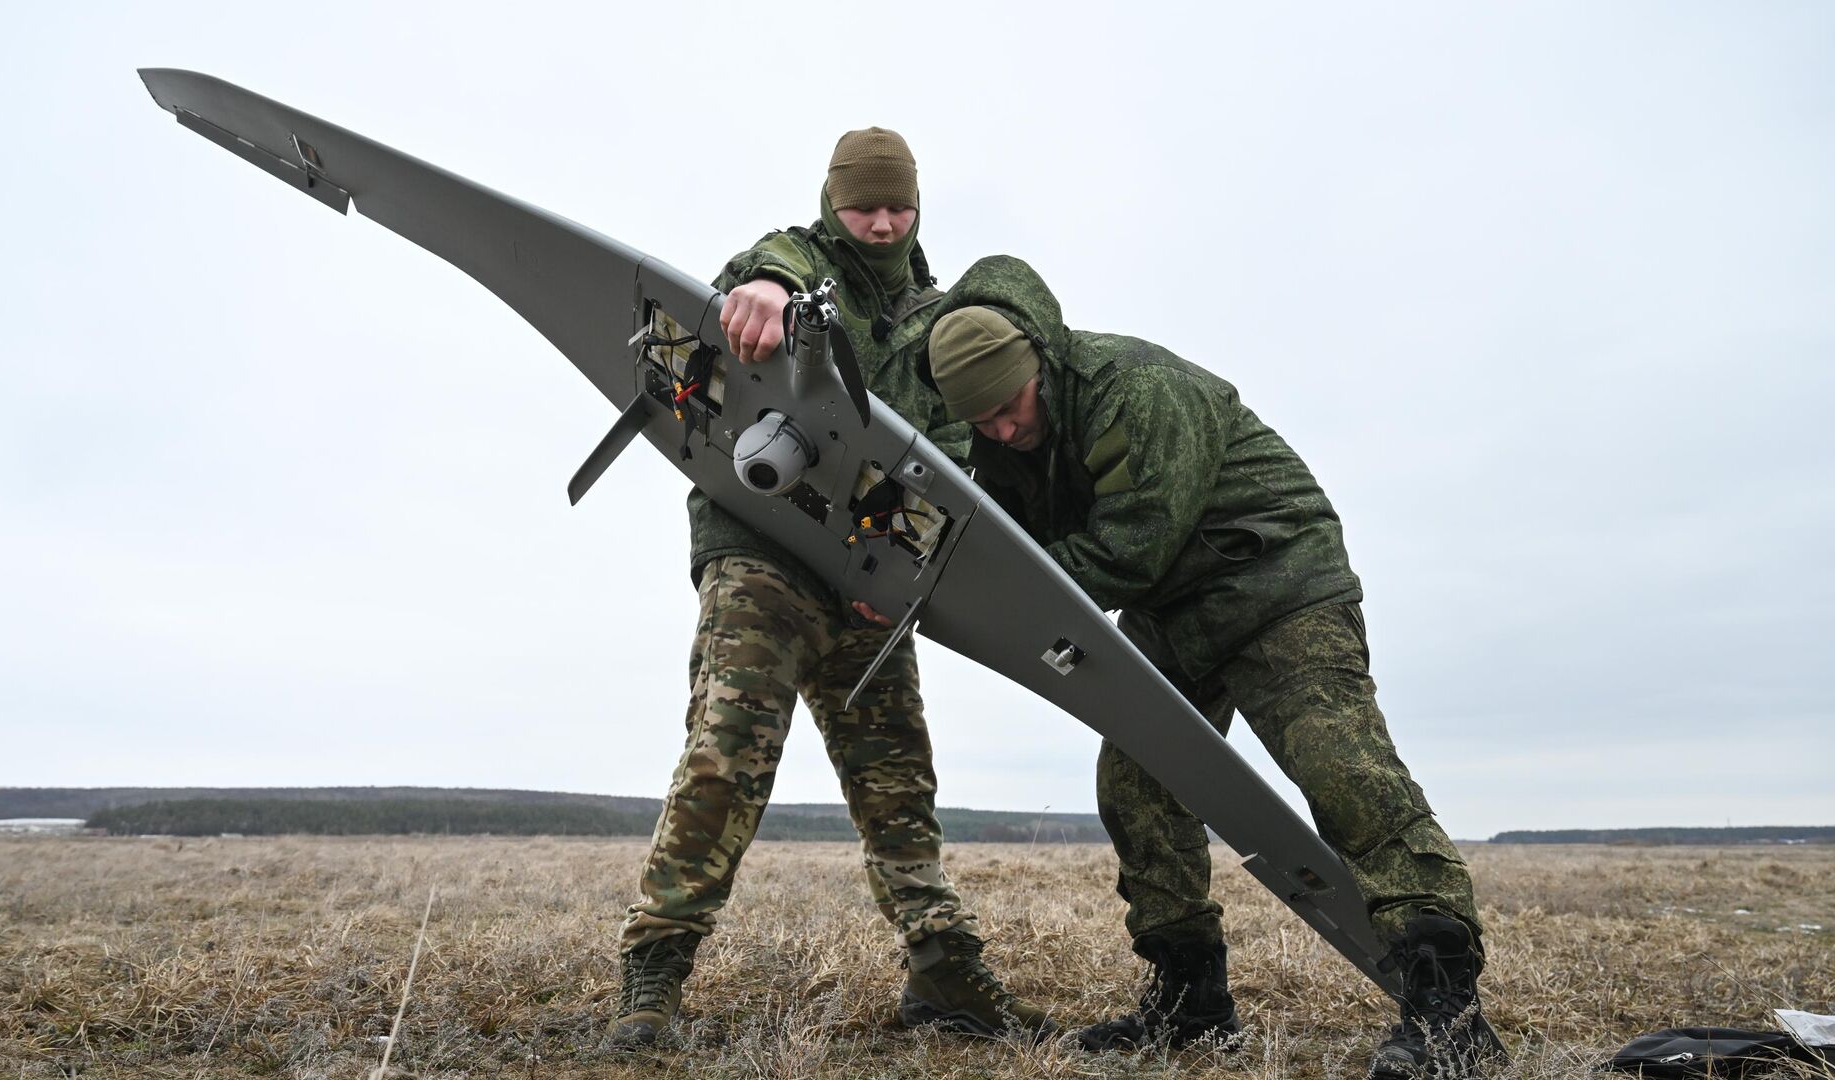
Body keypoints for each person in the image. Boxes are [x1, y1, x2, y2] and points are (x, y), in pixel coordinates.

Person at [921, 255, 1504, 1078]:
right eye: (980, 423)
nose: (1003, 432)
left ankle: (1448, 1010)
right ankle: (1191, 1003)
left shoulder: (1137, 387)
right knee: (1136, 785)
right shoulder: (1001, 438)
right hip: (1173, 609)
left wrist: (988, 595)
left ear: (1040, 367)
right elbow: (1009, 544)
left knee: (1342, 772)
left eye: (1010, 410)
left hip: (1275, 582)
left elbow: (1130, 547)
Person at [607, 132, 1050, 1047]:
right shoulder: (801, 265)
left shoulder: (939, 320)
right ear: (831, 204)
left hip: (872, 585)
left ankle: (944, 973)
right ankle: (654, 974)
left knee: (898, 781)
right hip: (763, 556)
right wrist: (760, 290)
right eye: (864, 207)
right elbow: (761, 276)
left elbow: (954, 461)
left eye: (900, 207)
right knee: (729, 753)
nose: (883, 224)